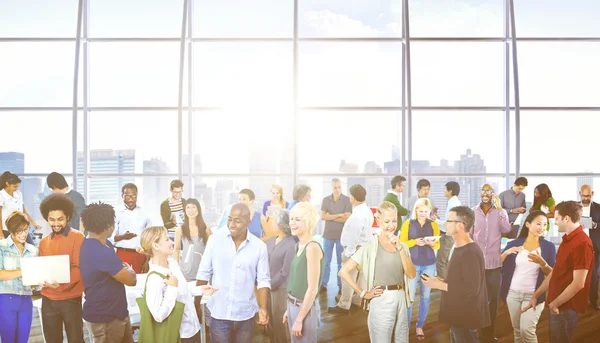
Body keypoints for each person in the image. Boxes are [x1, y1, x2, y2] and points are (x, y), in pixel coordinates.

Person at [339, 201, 416, 343]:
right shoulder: (369, 247)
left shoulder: (403, 246)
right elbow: (343, 271)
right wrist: (363, 293)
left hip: (401, 299)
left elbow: (411, 274)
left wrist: (400, 248)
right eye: (386, 221)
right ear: (378, 220)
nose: (391, 225)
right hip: (381, 300)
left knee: (402, 340)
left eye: (394, 221)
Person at [195, 203, 270, 343]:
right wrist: (196, 304)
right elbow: (203, 272)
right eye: (230, 219)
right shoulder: (215, 240)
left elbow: (263, 280)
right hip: (219, 314)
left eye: (237, 220)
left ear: (248, 221)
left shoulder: (259, 247)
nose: (232, 224)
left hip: (245, 315)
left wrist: (263, 308)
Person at [522, 201, 594, 343]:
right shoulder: (567, 240)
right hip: (557, 304)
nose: (554, 223)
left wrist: (555, 304)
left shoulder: (582, 243)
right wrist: (537, 294)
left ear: (566, 218)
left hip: (564, 308)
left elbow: (579, 283)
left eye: (556, 218)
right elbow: (556, 272)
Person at [422, 206, 491, 343]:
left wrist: (439, 285)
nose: (445, 224)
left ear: (460, 226)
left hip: (466, 316)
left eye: (449, 220)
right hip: (458, 315)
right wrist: (442, 280)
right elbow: (461, 279)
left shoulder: (469, 252)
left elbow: (471, 288)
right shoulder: (459, 247)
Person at [79, 202, 137, 343]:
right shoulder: (100, 251)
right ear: (108, 226)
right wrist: (130, 270)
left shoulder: (101, 244)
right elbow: (131, 280)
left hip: (116, 312)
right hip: (106, 318)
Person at [138, 226, 205, 343]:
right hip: (178, 335)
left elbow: (182, 290)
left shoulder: (173, 264)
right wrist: (172, 288)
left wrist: (201, 290)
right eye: (167, 239)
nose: (172, 242)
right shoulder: (154, 278)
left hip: (192, 328)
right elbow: (158, 315)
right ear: (156, 245)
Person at [500, 211, 556, 343]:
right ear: (527, 224)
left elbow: (552, 274)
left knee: (527, 330)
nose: (542, 227)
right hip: (512, 294)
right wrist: (507, 253)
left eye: (544, 224)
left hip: (534, 295)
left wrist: (543, 263)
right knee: (517, 330)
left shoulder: (549, 247)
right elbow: (497, 264)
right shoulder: (514, 243)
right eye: (538, 224)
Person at [38, 194, 86, 343]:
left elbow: (79, 268)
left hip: (71, 299)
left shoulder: (78, 237)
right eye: (52, 220)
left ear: (68, 217)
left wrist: (61, 285)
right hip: (48, 299)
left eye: (60, 219)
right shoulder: (44, 242)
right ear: (47, 219)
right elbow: (43, 268)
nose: (56, 223)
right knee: (52, 340)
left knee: (76, 340)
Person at [471, 184, 511, 343]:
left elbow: (507, 229)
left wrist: (501, 209)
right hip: (477, 265)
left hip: (495, 266)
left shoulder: (501, 213)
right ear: (480, 193)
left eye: (489, 191)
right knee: (475, 301)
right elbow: (469, 236)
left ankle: (488, 335)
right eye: (483, 190)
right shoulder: (473, 212)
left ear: (493, 194)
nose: (485, 193)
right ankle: (473, 334)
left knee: (492, 303)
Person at [283, 202, 324, 343]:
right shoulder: (298, 246)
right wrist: (289, 309)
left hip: (304, 309)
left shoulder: (312, 248)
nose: (292, 223)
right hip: (294, 305)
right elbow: (297, 281)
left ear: (308, 222)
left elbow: (312, 289)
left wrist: (299, 319)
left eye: (298, 219)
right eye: (291, 219)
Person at [329, 184, 373, 314]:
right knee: (359, 277)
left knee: (347, 277)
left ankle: (344, 305)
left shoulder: (356, 216)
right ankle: (356, 300)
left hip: (353, 251)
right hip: (363, 249)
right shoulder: (367, 211)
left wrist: (348, 253)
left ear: (352, 198)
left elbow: (353, 237)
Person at [400, 198, 440, 341]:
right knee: (409, 297)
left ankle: (419, 326)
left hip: (429, 264)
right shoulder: (407, 224)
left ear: (429, 211)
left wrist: (431, 244)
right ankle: (405, 327)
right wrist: (414, 242)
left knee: (425, 297)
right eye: (420, 211)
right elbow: (401, 243)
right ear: (416, 210)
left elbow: (437, 246)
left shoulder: (433, 224)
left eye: (425, 211)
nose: (423, 214)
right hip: (413, 264)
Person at [0, 211, 37, 343]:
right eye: (19, 231)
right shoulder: (2, 247)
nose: (23, 234)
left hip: (26, 300)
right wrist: (24, 270)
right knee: (8, 340)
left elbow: (34, 277)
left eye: (26, 229)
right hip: (5, 299)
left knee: (23, 340)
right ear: (11, 230)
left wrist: (38, 282)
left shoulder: (33, 250)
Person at [265, 209, 296, 343]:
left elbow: (285, 272)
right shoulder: (271, 241)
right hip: (267, 287)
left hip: (281, 289)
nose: (272, 223)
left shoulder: (291, 244)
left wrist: (270, 285)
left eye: (274, 221)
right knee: (270, 320)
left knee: (280, 322)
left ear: (281, 225)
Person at [320, 178, 352, 293]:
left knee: (340, 262)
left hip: (342, 236)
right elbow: (323, 217)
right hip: (328, 235)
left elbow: (347, 218)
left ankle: (341, 284)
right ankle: (323, 284)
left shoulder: (347, 200)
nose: (337, 189)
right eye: (335, 187)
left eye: (339, 187)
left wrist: (331, 216)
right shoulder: (326, 200)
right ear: (331, 187)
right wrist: (339, 215)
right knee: (326, 261)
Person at [113, 183, 152, 273]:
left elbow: (149, 239)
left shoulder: (145, 214)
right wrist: (123, 237)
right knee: (121, 283)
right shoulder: (115, 213)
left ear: (137, 196)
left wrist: (147, 261)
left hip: (140, 254)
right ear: (122, 196)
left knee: (139, 282)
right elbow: (110, 238)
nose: (131, 200)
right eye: (127, 197)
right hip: (122, 253)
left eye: (134, 196)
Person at [174, 198, 211, 281]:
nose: (191, 210)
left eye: (193, 207)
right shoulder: (180, 229)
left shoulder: (206, 228)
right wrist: (177, 269)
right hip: (186, 271)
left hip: (203, 270)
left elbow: (212, 249)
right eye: (188, 207)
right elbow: (176, 249)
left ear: (198, 209)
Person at [0, 171, 41, 240]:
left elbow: (24, 211)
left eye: (18, 186)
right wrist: (1, 235)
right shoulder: (1, 195)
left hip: (21, 229)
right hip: (7, 231)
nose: (17, 188)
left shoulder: (18, 194)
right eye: (14, 186)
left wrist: (33, 223)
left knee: (31, 247)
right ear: (7, 184)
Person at [578, 184, 600, 309]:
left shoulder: (598, 208)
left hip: (593, 247)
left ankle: (593, 301)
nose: (585, 198)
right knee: (575, 274)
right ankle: (577, 301)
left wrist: (595, 225)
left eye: (588, 195)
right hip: (577, 246)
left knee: (593, 276)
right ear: (579, 193)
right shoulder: (573, 207)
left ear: (592, 194)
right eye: (583, 195)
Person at [438, 181, 461, 279]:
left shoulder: (454, 204)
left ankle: (443, 287)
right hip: (446, 234)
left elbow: (450, 223)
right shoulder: (452, 202)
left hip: (448, 235)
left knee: (441, 261)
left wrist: (436, 221)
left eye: (445, 189)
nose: (443, 191)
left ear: (450, 191)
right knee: (444, 260)